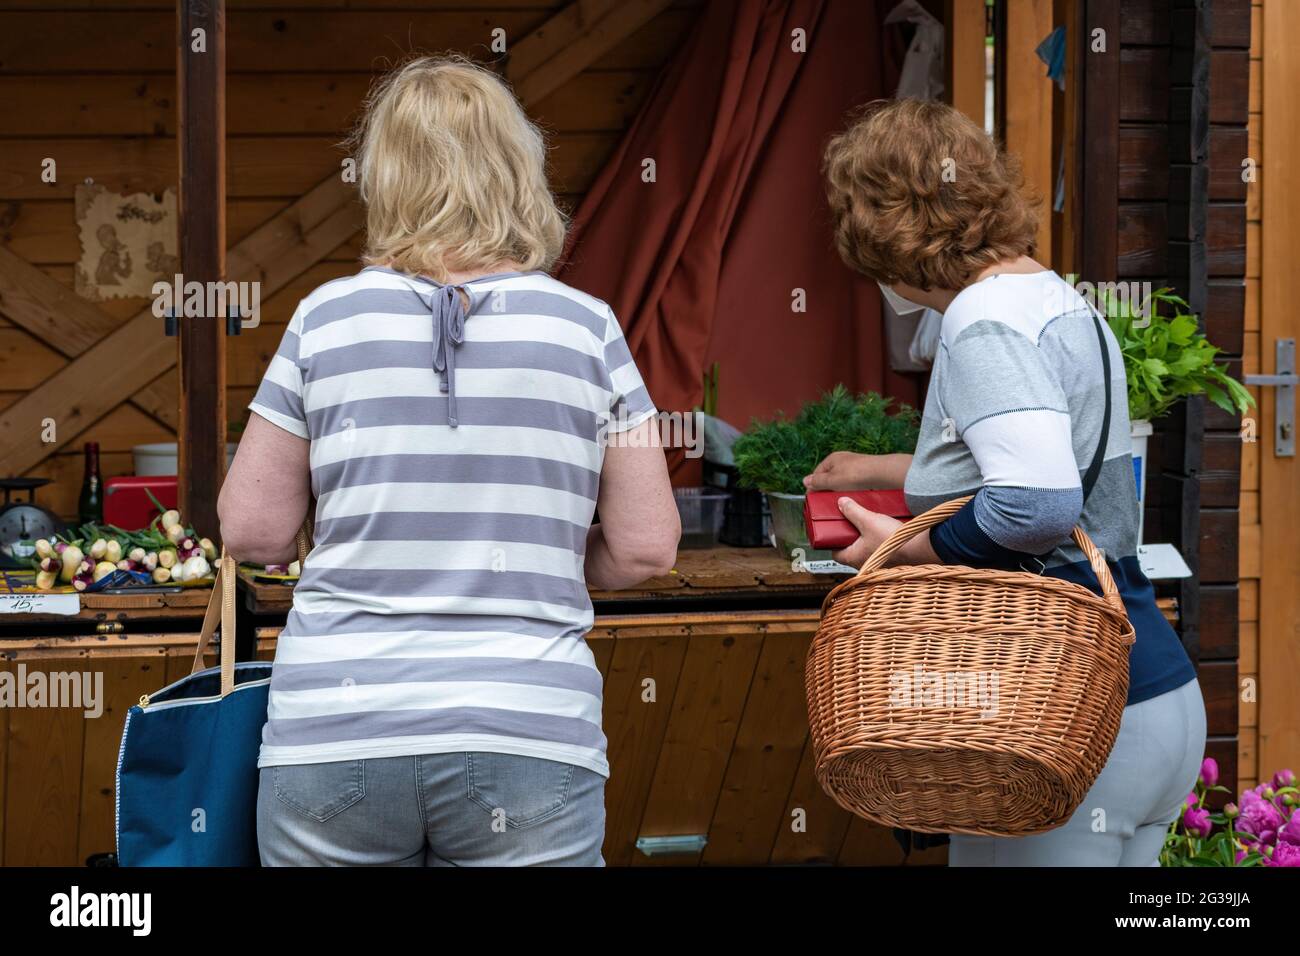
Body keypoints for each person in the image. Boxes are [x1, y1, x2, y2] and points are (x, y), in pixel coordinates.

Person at [218, 55, 679, 866]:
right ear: (518, 169)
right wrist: (543, 552)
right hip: (528, 726)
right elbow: (647, 547)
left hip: (337, 729)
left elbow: (252, 531)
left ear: (386, 176)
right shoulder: (588, 329)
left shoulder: (324, 321)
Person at [810, 98, 1206, 866]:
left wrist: (908, 549)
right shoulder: (1054, 299)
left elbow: (1035, 506)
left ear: (877, 228)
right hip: (1146, 693)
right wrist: (888, 470)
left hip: (1056, 713)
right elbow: (1053, 463)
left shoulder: (983, 319)